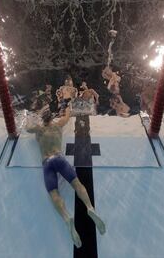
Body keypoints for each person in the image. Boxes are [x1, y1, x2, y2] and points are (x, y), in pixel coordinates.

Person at [26, 106, 106, 248]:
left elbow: (27, 128)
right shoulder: (58, 125)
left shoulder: (38, 129)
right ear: (52, 118)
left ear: (42, 119)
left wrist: (33, 116)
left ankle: (66, 217)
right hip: (59, 158)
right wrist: (68, 108)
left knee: (54, 193)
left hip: (47, 163)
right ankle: (90, 208)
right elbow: (68, 115)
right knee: (77, 184)